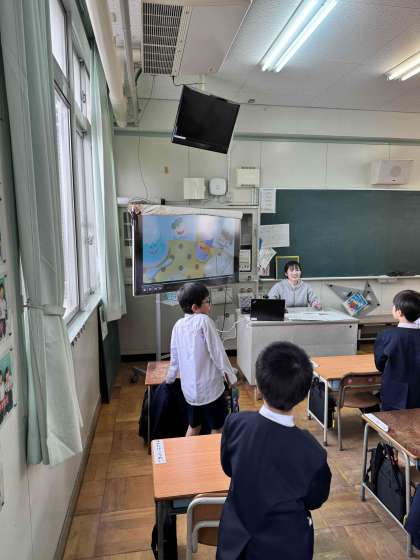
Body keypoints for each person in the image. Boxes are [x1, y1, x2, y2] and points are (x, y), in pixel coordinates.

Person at [217, 341, 331, 560]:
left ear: (259, 387)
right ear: (303, 395)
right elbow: (315, 499)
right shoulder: (312, 452)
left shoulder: (236, 423)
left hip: (236, 542)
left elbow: (228, 467)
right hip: (286, 546)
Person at [166, 282, 237, 436]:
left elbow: (174, 357)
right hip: (210, 390)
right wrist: (231, 377)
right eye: (206, 301)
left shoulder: (178, 325)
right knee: (217, 428)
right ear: (194, 307)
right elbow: (218, 353)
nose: (209, 305)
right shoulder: (204, 321)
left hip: (190, 392)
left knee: (194, 426)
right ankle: (214, 453)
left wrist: (170, 379)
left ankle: (187, 452)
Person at [374, 289, 420, 411]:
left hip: (394, 390)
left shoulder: (386, 335)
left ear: (399, 312)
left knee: (391, 420)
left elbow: (380, 364)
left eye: (394, 305)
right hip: (417, 390)